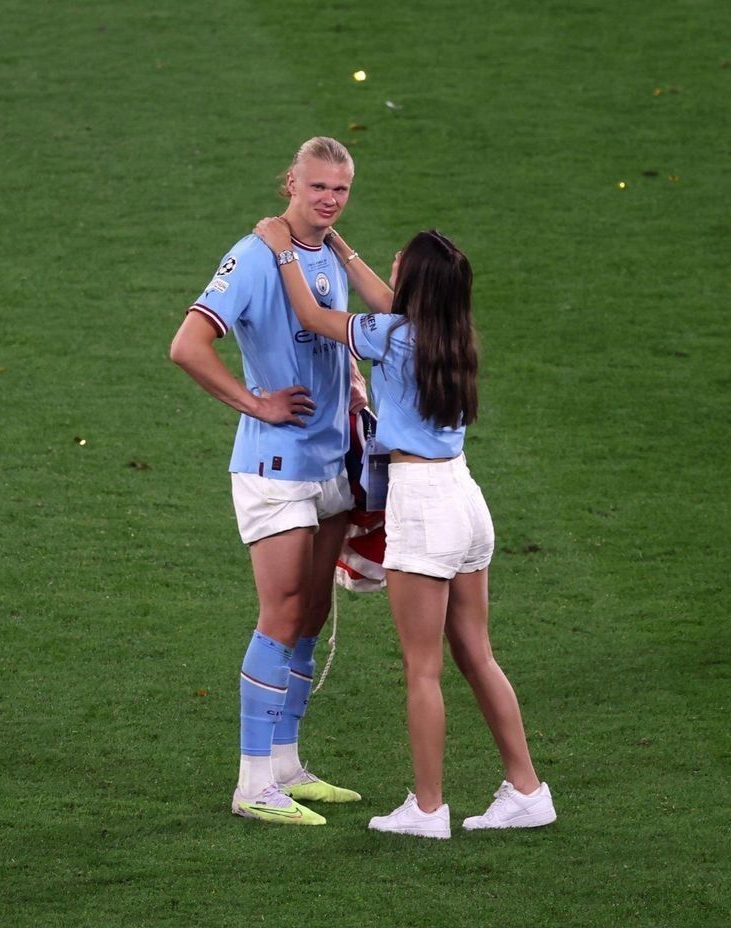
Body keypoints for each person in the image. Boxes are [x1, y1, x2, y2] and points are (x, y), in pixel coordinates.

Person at [253, 217, 557, 838]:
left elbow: (314, 316)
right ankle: (528, 789)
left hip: (421, 507)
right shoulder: (453, 334)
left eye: (399, 265)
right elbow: (386, 302)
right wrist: (337, 244)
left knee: (422, 669)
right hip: (467, 500)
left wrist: (286, 252)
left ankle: (426, 809)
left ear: (413, 286)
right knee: (478, 655)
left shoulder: (391, 336)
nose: (389, 268)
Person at [170, 137, 368, 827]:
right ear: (291, 180)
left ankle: (286, 762)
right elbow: (187, 344)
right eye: (317, 187)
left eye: (339, 190)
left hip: (331, 459)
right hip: (273, 466)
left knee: (310, 614)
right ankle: (253, 782)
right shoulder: (254, 256)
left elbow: (326, 339)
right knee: (281, 613)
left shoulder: (321, 255)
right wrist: (256, 402)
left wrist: (350, 381)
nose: (327, 199)